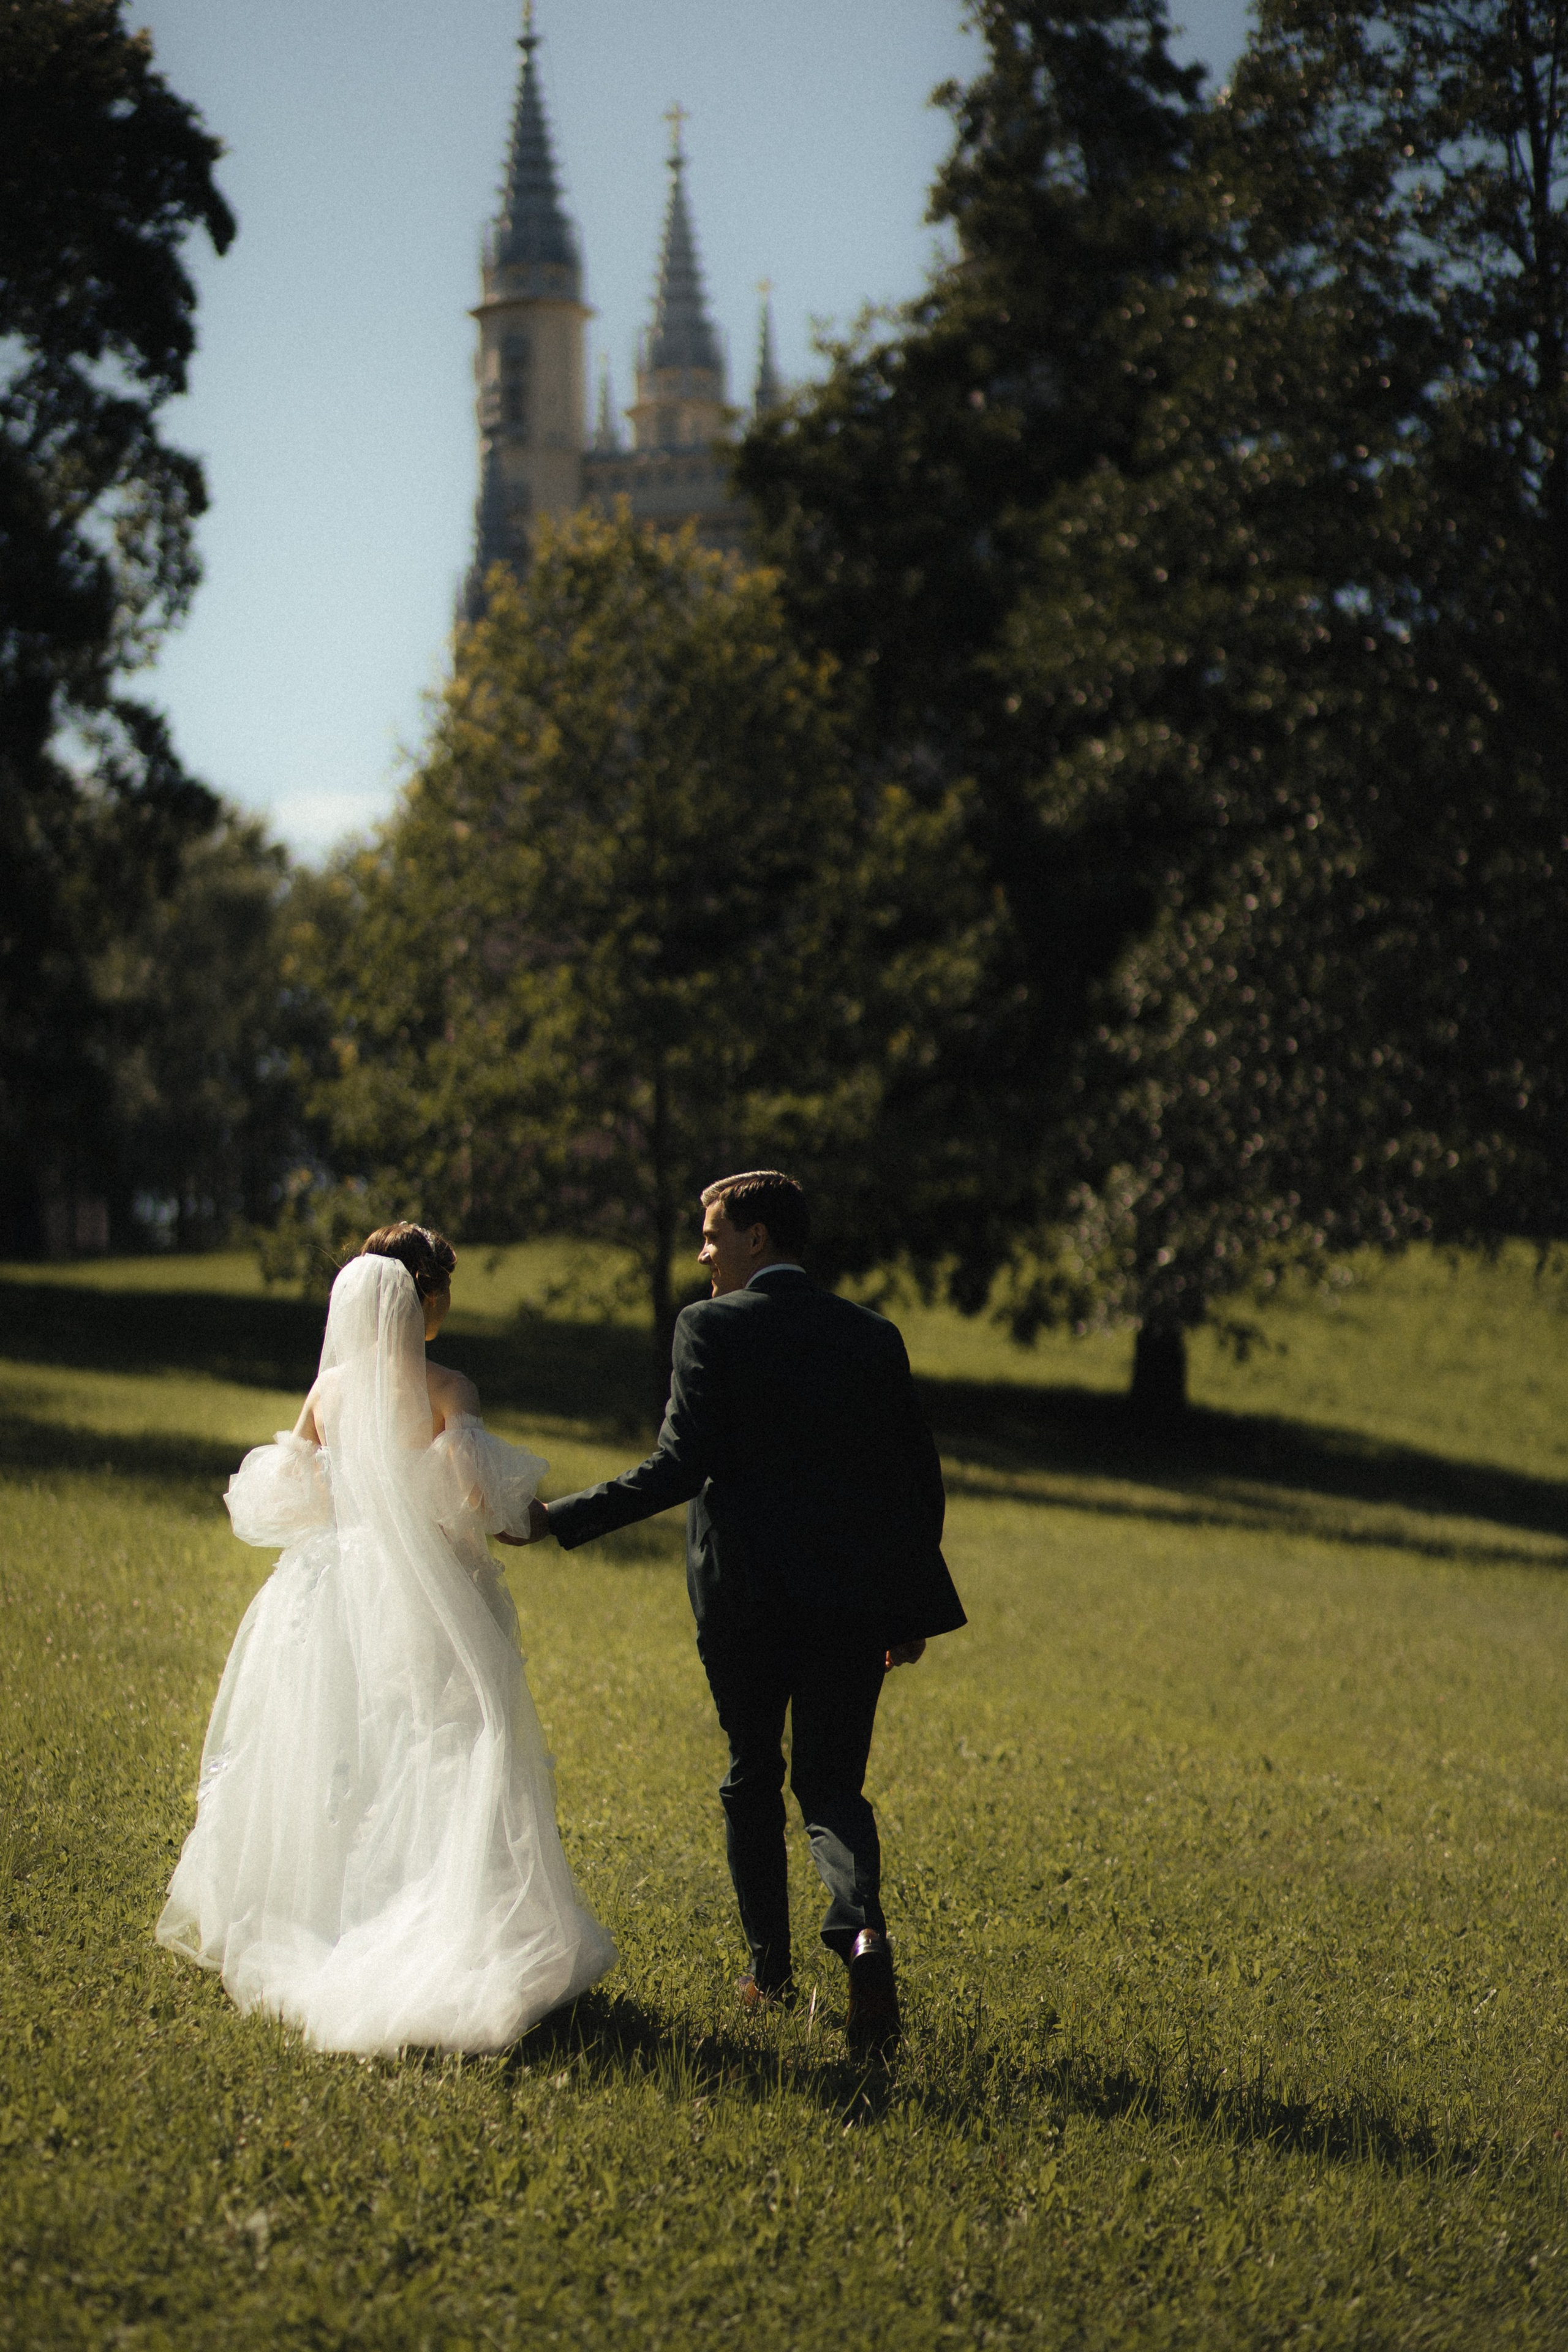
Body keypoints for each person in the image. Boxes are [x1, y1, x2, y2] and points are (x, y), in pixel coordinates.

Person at [509, 1171, 965, 2049]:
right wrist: (904, 1608)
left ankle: (769, 1971)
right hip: (851, 1602)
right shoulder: (871, 1335)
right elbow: (917, 1480)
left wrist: (559, 1519)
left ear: (758, 1237)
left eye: (714, 1234)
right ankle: (863, 1934)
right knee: (833, 1786)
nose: (703, 1253)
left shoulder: (709, 1327)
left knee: (752, 1771)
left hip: (745, 1599)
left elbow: (678, 1467)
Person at [156, 1223, 614, 2054]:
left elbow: (293, 1494)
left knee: (338, 1747)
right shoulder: (449, 1388)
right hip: (424, 1590)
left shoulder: (329, 1389)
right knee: (448, 1745)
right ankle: (447, 1917)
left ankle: (324, 1913)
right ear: (424, 1298)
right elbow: (476, 1501)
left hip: (332, 1586)